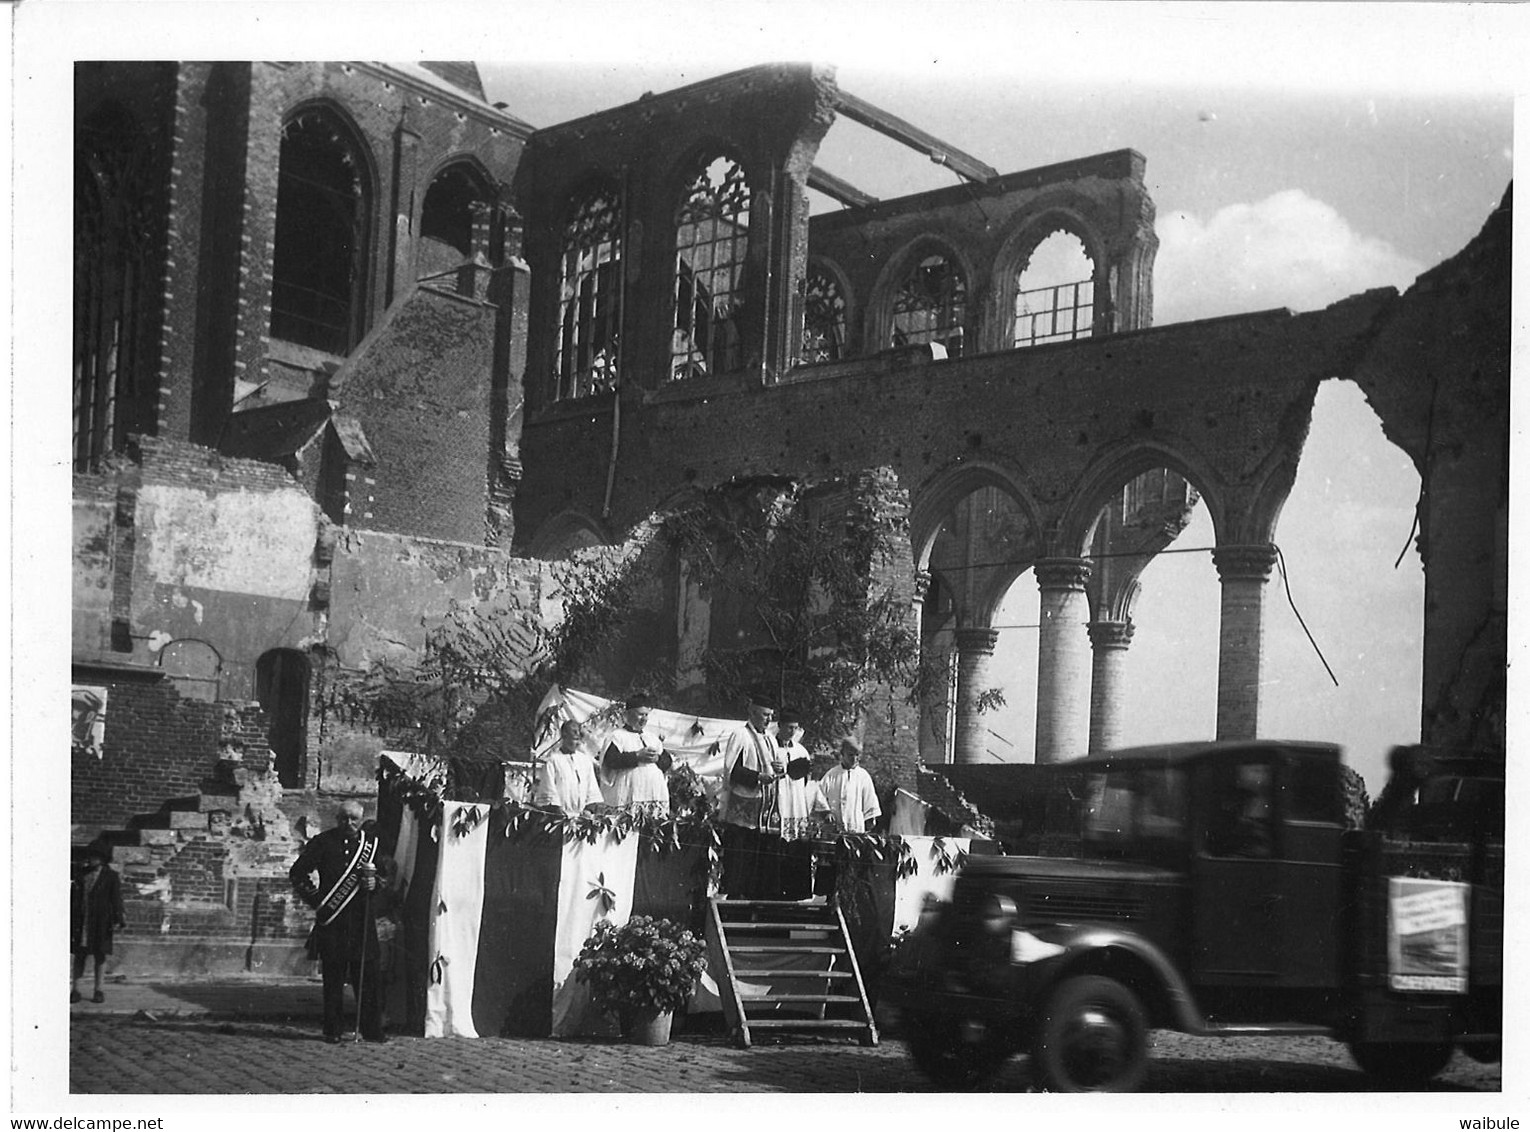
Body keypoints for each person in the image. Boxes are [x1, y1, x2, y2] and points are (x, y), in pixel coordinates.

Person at [289, 801, 389, 1043]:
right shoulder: (323, 842)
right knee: (333, 979)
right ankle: (333, 1030)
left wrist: (375, 884)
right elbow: (298, 873)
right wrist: (317, 901)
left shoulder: (372, 845)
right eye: (344, 818)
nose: (349, 823)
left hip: (361, 921)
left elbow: (385, 877)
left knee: (367, 979)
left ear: (361, 818)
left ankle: (372, 1031)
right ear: (337, 818)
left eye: (354, 818)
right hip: (333, 921)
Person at [70, 838, 125, 1004]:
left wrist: (118, 918)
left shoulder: (111, 876)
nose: (91, 859)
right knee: (80, 955)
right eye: (90, 856)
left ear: (102, 859)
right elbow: (73, 896)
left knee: (100, 956)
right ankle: (76, 989)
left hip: (101, 921)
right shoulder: (81, 874)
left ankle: (98, 990)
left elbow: (116, 899)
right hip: (82, 920)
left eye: (95, 857)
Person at [600, 693, 672, 815]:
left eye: (646, 715)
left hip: (653, 797)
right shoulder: (617, 736)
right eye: (640, 714)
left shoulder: (652, 738)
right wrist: (637, 756)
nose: (644, 719)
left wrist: (657, 758)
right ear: (628, 715)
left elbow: (667, 762)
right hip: (627, 797)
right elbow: (611, 761)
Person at [717, 696, 781, 830]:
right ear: (752, 712)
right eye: (765, 715)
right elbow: (732, 770)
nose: (769, 719)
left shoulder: (771, 738)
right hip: (744, 799)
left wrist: (778, 768)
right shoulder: (740, 735)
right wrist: (758, 776)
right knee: (741, 845)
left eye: (771, 715)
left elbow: (774, 766)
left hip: (765, 803)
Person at [533, 719, 605, 815]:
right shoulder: (553, 760)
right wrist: (558, 810)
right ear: (564, 737)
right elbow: (548, 788)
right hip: (560, 816)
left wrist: (588, 809)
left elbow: (591, 787)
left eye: (579, 739)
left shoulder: (585, 761)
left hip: (582, 816)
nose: (577, 743)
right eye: (574, 739)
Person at [773, 712, 828, 839]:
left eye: (795, 728)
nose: (793, 732)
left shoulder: (801, 751)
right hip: (778, 798)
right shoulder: (771, 748)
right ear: (780, 725)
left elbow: (805, 781)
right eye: (789, 727)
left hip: (795, 798)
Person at [820, 738, 882, 834]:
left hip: (855, 824)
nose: (854, 759)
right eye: (850, 755)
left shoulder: (863, 776)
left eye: (857, 755)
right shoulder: (832, 775)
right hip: (835, 825)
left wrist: (870, 818)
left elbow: (869, 799)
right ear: (842, 754)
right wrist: (826, 812)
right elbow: (820, 795)